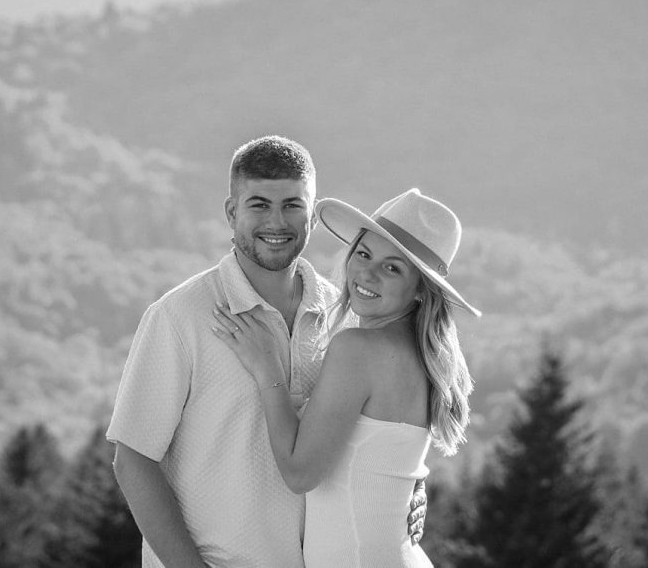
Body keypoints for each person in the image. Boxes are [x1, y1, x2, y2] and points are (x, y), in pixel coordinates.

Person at [107, 136, 423, 567]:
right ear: (231, 213)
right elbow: (133, 461)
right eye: (259, 205)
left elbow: (366, 438)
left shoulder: (344, 318)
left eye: (292, 205)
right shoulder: (180, 316)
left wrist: (410, 488)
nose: (277, 222)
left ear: (312, 216)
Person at [211, 188, 478, 568]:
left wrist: (268, 369)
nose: (366, 273)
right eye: (364, 254)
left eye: (392, 267)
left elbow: (300, 473)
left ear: (421, 289)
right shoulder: (423, 355)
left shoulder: (358, 348)